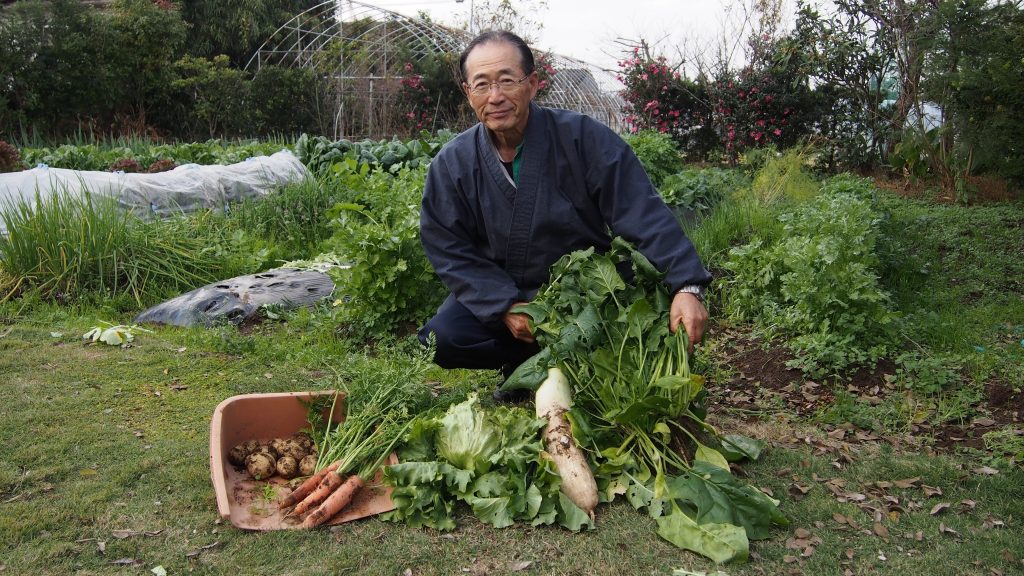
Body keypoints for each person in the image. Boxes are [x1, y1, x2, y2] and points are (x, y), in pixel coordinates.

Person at [418, 30, 711, 394]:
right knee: (444, 337)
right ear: (468, 92)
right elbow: (447, 246)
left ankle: (559, 367)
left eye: (507, 81)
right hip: (506, 292)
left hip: (584, 293)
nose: (495, 97)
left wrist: (687, 285)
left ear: (533, 84)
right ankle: (527, 363)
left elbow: (641, 210)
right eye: (482, 85)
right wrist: (504, 305)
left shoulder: (583, 139)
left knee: (625, 330)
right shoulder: (453, 163)